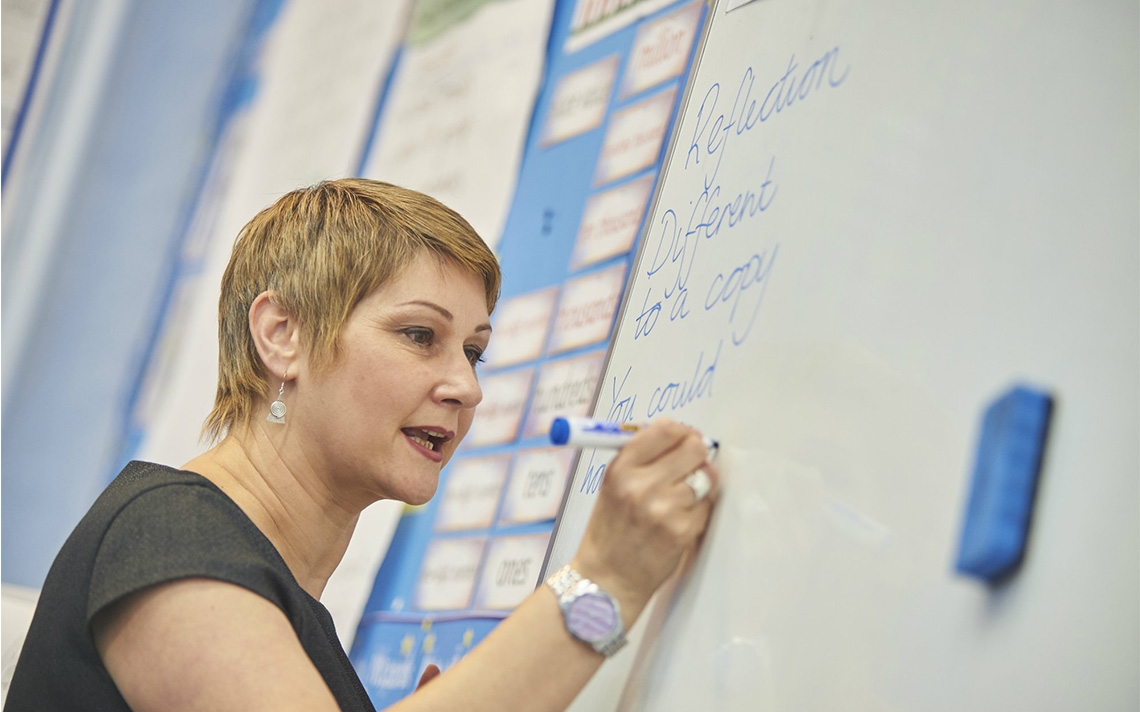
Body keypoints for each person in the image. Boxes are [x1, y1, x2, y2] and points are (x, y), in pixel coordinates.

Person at [5, 179, 719, 711]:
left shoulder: (274, 600)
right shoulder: (166, 532)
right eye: (419, 336)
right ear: (282, 335)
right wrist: (606, 582)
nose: (465, 388)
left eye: (475, 351)